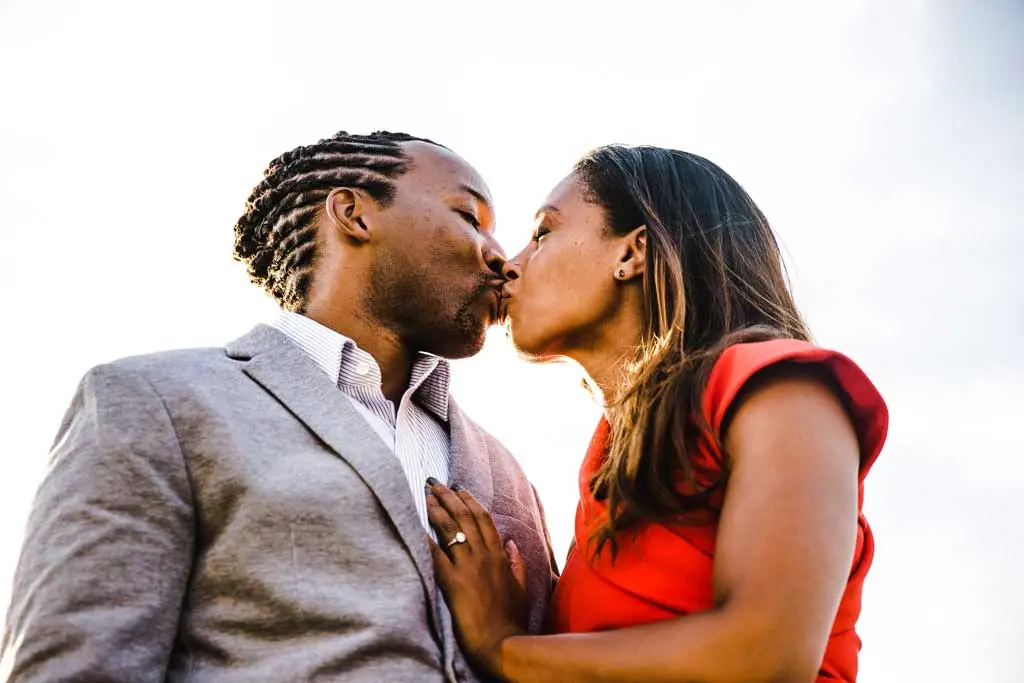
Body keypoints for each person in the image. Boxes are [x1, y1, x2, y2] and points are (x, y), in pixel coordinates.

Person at [1, 130, 558, 682]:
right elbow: (74, 666)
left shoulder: (512, 475)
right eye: (469, 216)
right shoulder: (156, 400)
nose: (500, 257)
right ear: (353, 213)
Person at [424, 144, 888, 682]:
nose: (511, 262)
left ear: (632, 253)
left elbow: (766, 658)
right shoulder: (602, 474)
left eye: (544, 232)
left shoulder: (782, 389)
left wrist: (503, 649)